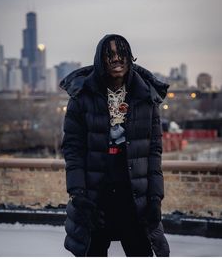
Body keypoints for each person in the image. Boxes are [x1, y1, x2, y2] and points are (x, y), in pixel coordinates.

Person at [60, 34, 170, 257]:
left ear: (129, 58)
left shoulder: (146, 97)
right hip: (96, 196)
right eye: (109, 54)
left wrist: (155, 199)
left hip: (134, 196)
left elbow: (153, 152)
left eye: (121, 53)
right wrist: (78, 194)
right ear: (100, 60)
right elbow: (73, 149)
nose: (116, 59)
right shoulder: (82, 97)